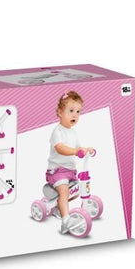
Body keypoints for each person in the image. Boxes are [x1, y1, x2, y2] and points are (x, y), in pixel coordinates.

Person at [46, 91, 94, 233]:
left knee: (76, 192)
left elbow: (78, 148)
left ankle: (59, 207)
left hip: (70, 171)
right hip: (57, 171)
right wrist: (75, 151)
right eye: (71, 111)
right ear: (60, 112)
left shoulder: (73, 132)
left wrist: (87, 150)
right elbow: (60, 148)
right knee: (65, 191)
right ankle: (65, 221)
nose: (75, 115)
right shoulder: (57, 131)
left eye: (78, 112)